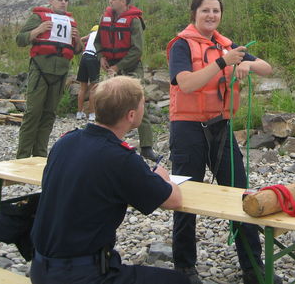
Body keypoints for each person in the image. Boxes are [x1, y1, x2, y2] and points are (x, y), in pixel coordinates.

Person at [167, 0, 280, 284]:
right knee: (185, 197)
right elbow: (187, 85)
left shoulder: (228, 45)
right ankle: (184, 267)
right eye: (206, 10)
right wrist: (222, 62)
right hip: (188, 128)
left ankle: (252, 268)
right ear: (195, 13)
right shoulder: (181, 45)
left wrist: (245, 63)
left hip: (221, 127)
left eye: (216, 11)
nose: (211, 16)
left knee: (240, 194)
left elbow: (267, 69)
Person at [30, 76, 189, 284]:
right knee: (180, 281)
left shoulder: (65, 141)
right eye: (143, 105)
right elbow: (174, 200)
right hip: (80, 275)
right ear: (131, 115)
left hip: (41, 267)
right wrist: (163, 177)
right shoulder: (121, 158)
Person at [15, 0, 82, 158]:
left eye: (66, 0)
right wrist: (38, 30)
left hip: (60, 74)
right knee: (33, 112)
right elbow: (20, 40)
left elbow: (77, 50)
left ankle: (40, 155)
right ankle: (22, 157)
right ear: (50, 0)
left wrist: (77, 38)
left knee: (49, 114)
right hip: (40, 70)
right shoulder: (38, 17)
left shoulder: (70, 22)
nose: (63, 2)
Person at [94, 0, 158, 162]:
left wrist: (118, 67)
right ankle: (110, 143)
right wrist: (101, 57)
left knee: (138, 105)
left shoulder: (134, 21)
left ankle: (146, 147)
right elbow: (98, 41)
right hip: (111, 68)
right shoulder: (105, 17)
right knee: (110, 105)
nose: (110, 2)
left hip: (130, 67)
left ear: (124, 2)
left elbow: (137, 50)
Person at [76, 25, 100, 121]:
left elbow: (81, 39)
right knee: (93, 88)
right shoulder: (100, 34)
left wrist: (83, 48)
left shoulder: (91, 35)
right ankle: (92, 114)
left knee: (82, 88)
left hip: (84, 57)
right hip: (93, 58)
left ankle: (79, 113)